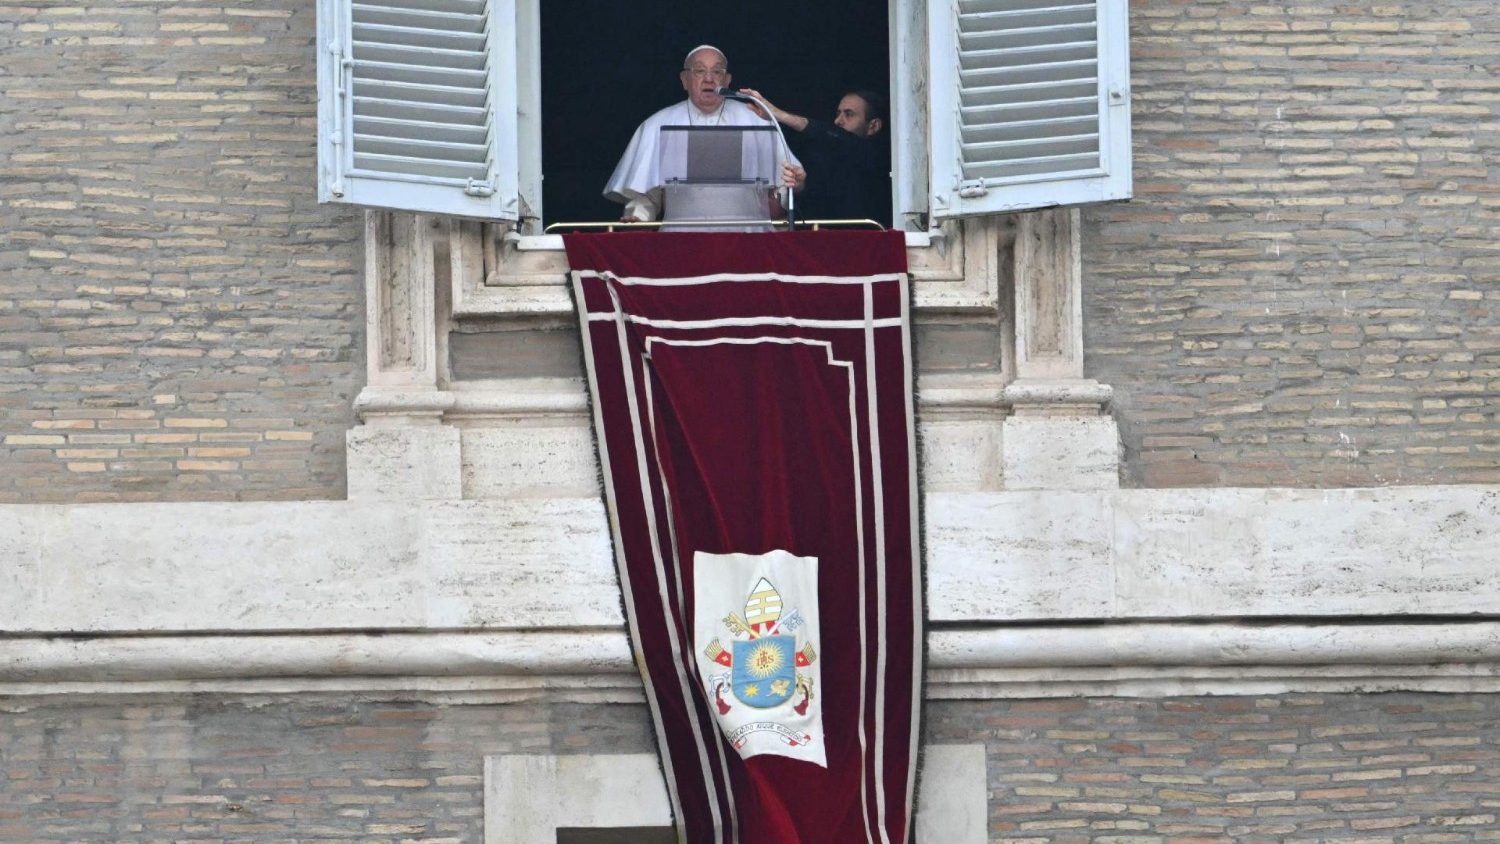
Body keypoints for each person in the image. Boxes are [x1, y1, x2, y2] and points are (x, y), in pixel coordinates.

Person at [604, 46, 801, 223]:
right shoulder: (658, 124)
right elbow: (644, 193)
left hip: (749, 236)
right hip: (681, 239)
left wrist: (787, 192)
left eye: (717, 71)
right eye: (699, 70)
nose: (709, 78)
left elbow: (786, 185)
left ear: (727, 80)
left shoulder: (756, 119)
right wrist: (639, 217)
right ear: (684, 80)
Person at [738, 88, 892, 228]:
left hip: (869, 243)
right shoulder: (825, 157)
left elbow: (839, 139)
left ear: (874, 126)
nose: (839, 120)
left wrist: (779, 114)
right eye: (838, 113)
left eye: (849, 114)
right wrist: (800, 185)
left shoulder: (883, 154)